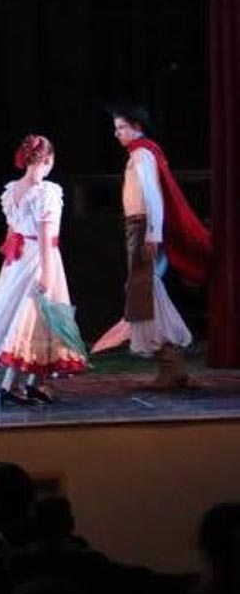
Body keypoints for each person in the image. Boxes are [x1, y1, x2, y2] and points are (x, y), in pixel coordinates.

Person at [0, 135, 87, 404]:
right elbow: (45, 235)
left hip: (19, 259)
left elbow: (11, 232)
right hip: (40, 258)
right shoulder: (45, 192)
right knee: (31, 319)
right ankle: (11, 385)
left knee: (41, 321)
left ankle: (35, 383)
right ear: (48, 159)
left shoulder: (13, 190)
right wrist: (47, 273)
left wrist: (9, 267)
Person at [103, 104, 212, 389]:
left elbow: (152, 195)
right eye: (116, 128)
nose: (117, 133)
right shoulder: (141, 153)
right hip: (139, 227)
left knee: (144, 293)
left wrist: (152, 233)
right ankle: (173, 366)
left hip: (142, 228)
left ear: (137, 127)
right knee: (146, 292)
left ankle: (171, 365)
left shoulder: (142, 153)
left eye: (122, 127)